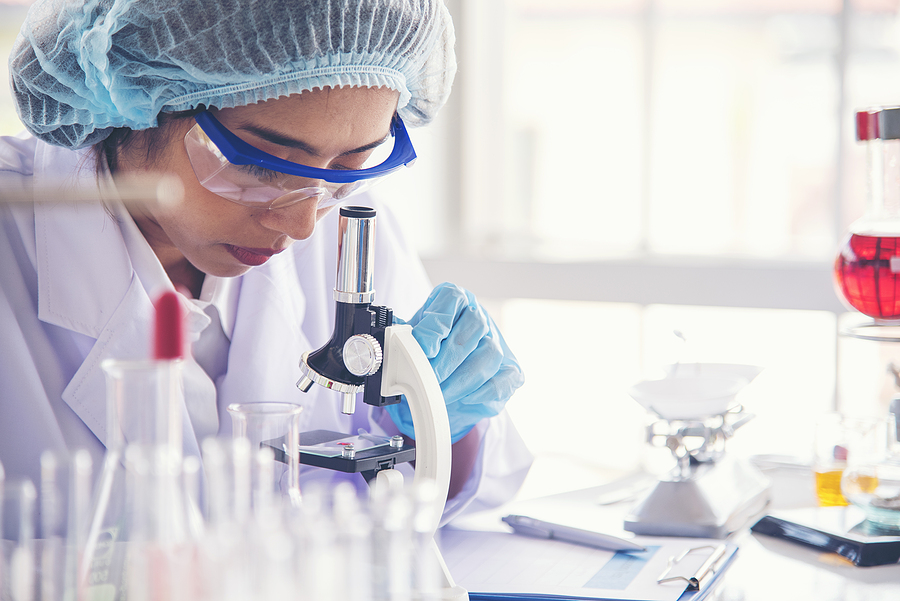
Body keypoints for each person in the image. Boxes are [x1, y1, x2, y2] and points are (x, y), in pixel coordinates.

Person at [0, 0, 532, 528]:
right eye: (260, 166)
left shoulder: (347, 224)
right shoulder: (11, 233)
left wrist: (441, 424)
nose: (302, 224)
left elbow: (466, 490)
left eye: (353, 163)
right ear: (134, 103)